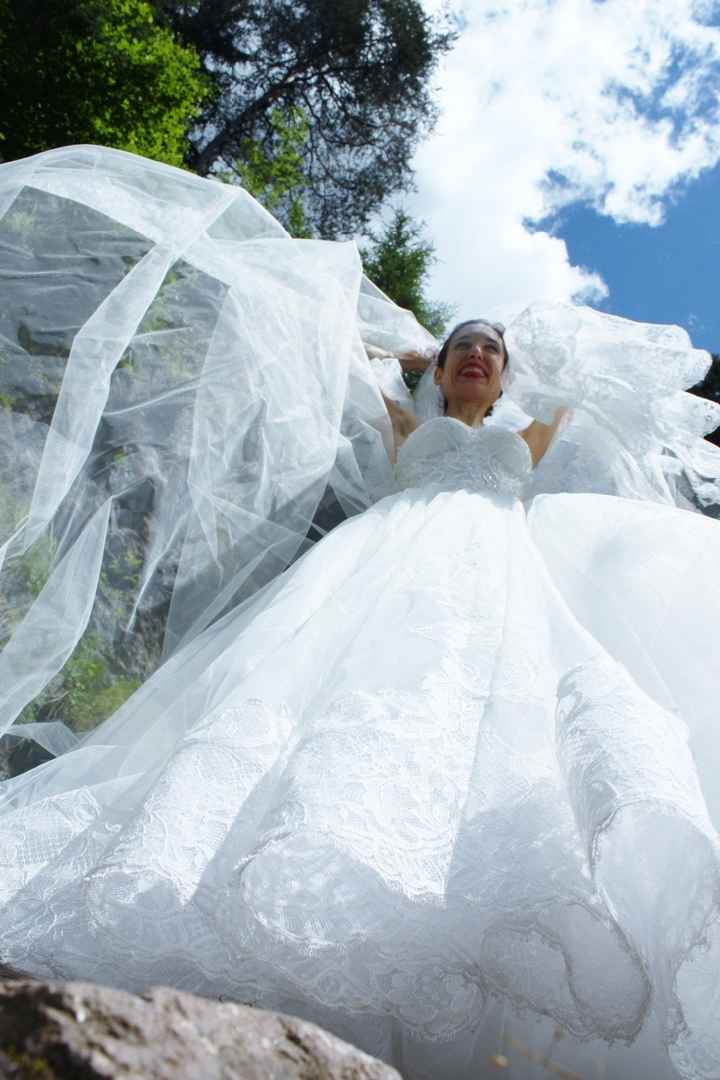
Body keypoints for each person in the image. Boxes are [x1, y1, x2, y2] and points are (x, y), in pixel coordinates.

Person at [2, 145, 720, 1080]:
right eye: (465, 346)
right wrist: (405, 351)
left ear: (505, 379)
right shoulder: (406, 424)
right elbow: (336, 345)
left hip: (503, 571)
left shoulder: (526, 435)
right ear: (443, 367)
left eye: (491, 352)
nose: (475, 356)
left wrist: (547, 358)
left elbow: (592, 391)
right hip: (379, 565)